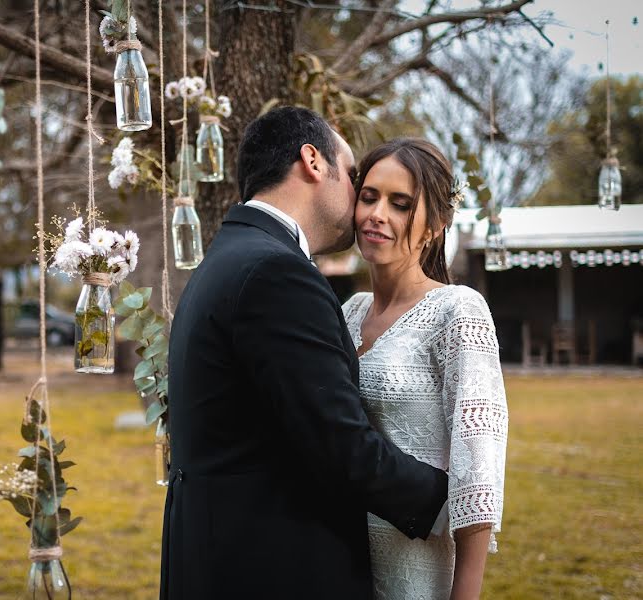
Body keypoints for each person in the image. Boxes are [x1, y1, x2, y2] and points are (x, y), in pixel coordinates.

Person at [160, 107, 449, 600]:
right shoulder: (276, 272)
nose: (361, 199)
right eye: (355, 175)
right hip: (270, 569)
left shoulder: (226, 258)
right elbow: (341, 446)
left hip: (211, 557)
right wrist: (456, 498)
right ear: (313, 162)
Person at [342, 138, 508, 599]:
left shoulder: (457, 312)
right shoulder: (347, 312)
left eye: (401, 204)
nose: (377, 214)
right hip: (339, 559)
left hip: (417, 567)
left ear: (434, 225)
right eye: (370, 197)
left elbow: (478, 469)